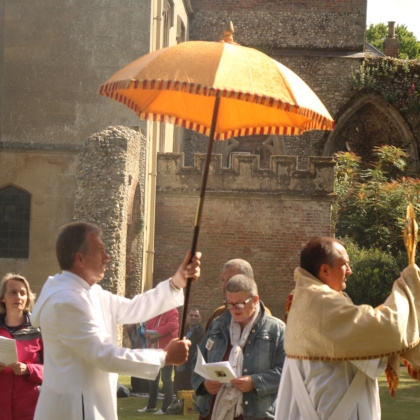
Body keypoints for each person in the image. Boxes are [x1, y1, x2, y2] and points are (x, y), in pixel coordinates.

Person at [30, 221, 201, 420]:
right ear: (80, 258)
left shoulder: (91, 292)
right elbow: (105, 355)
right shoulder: (66, 301)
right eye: (100, 251)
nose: (107, 258)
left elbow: (134, 307)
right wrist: (164, 356)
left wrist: (176, 282)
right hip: (73, 410)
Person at [275, 236, 420, 420]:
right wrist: (407, 286)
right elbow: (385, 328)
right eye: (344, 264)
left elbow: (360, 332)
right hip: (331, 409)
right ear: (325, 269)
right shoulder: (321, 302)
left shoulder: (305, 299)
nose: (349, 271)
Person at [192, 274, 286, 420]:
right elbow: (197, 362)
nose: (234, 309)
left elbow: (286, 372)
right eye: (229, 303)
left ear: (255, 300)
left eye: (240, 304)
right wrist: (204, 383)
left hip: (256, 414)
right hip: (212, 412)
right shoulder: (218, 324)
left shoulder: (277, 329)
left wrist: (255, 382)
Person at [0, 273, 43, 420]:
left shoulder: (39, 329)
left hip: (29, 410)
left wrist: (28, 369)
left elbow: (55, 368)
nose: (18, 297)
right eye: (13, 292)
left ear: (27, 298)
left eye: (22, 293)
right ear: (2, 298)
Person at [205, 259, 271, 330]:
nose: (224, 286)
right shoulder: (217, 315)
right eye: (223, 280)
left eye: (231, 280)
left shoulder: (263, 317)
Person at [138, 308, 179, 414]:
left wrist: (156, 333)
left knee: (166, 378)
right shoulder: (155, 312)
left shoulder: (172, 311)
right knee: (152, 378)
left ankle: (166, 407)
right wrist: (150, 336)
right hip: (153, 349)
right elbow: (148, 327)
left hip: (166, 350)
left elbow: (172, 326)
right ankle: (151, 406)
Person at [174, 308, 205, 392]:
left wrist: (183, 359)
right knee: (178, 392)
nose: (193, 317)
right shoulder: (181, 331)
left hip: (190, 369)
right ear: (187, 317)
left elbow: (197, 351)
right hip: (178, 367)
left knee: (188, 393)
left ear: (200, 318)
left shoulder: (202, 333)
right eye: (191, 315)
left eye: (196, 316)